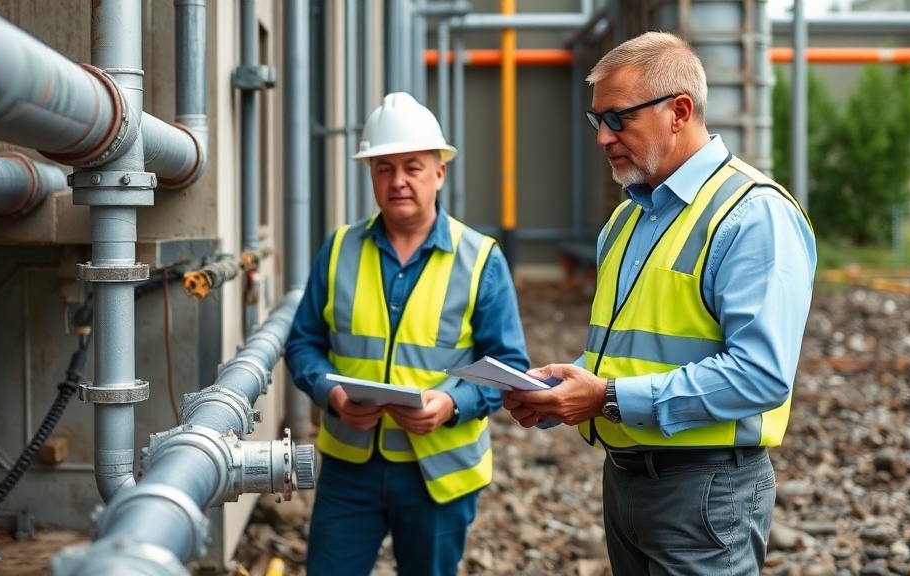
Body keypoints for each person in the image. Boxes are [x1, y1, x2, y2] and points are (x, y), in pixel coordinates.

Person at [502, 31, 817, 575]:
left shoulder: (752, 215)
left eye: (618, 118)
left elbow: (761, 375)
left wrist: (606, 399)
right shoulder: (626, 220)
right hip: (626, 481)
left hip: (707, 490)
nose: (603, 137)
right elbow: (629, 355)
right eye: (596, 119)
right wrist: (562, 387)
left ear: (680, 111)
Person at [284, 91, 529, 576]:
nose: (397, 181)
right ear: (371, 175)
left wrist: (453, 404)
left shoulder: (481, 259)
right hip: (349, 470)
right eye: (383, 168)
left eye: (412, 167)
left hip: (437, 474)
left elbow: (510, 369)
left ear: (439, 172)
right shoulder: (337, 249)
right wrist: (331, 393)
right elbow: (302, 344)